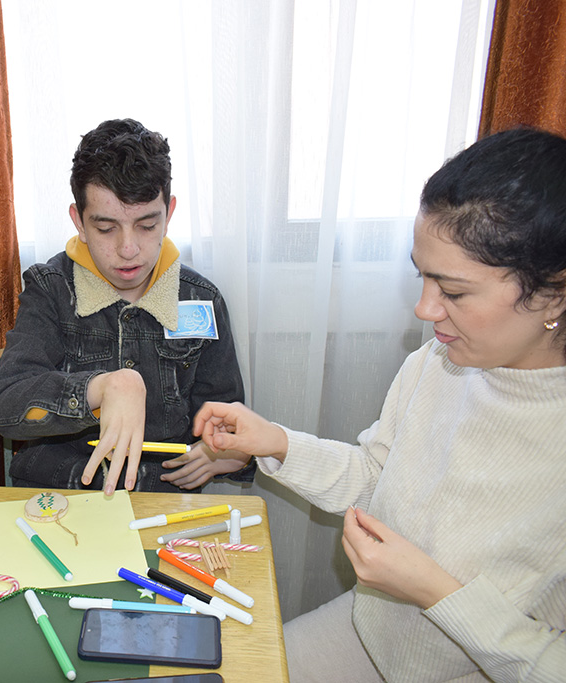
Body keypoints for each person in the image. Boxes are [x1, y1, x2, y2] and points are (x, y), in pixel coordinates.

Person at [194, 127, 566, 682]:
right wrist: (276, 442)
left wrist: (436, 593)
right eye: (422, 277)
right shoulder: (437, 362)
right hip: (371, 632)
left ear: (554, 292)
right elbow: (378, 479)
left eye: (454, 292)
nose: (425, 310)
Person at [0, 118, 252, 495]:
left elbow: (224, 416)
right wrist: (100, 388)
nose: (128, 249)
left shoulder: (200, 299)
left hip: (158, 500)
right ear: (79, 222)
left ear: (169, 214)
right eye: (106, 228)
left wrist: (229, 450)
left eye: (147, 225)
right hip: (60, 494)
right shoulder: (51, 290)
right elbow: (6, 406)